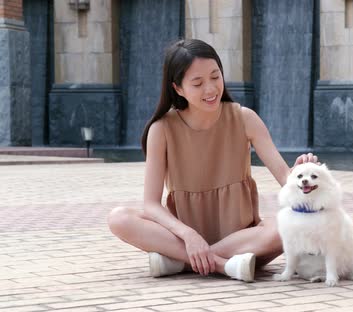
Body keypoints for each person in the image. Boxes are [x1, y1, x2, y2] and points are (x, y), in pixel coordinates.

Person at [107, 39, 319, 282]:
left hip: (243, 239)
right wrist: (188, 235)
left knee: (289, 225)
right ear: (177, 89)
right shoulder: (162, 129)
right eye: (197, 83)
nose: (210, 89)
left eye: (215, 77)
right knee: (119, 218)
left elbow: (286, 178)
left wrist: (303, 173)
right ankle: (222, 265)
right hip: (185, 236)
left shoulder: (244, 118)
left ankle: (181, 261)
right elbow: (151, 205)